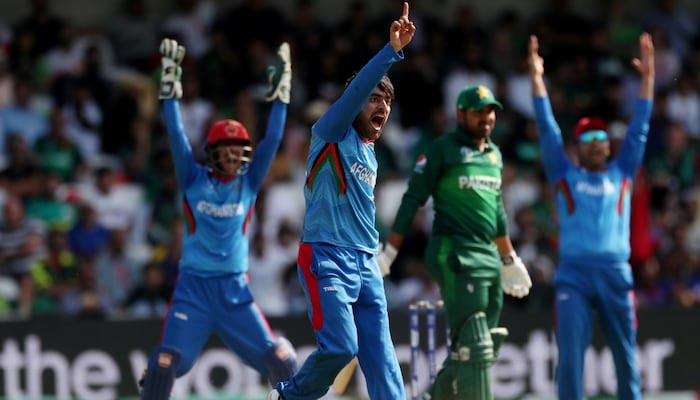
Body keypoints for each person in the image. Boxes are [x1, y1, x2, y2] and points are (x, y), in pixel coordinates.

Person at [268, 3, 415, 400]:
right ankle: (289, 396)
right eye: (373, 100)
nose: (380, 107)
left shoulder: (369, 153)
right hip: (326, 256)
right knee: (340, 348)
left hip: (366, 262)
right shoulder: (331, 132)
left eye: (386, 103)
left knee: (382, 359)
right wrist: (390, 52)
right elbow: (354, 93)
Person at [139, 38, 297, 399]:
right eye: (223, 151)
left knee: (281, 361)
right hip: (192, 291)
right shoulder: (193, 179)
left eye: (236, 151)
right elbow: (176, 135)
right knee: (165, 362)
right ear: (212, 153)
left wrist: (281, 96)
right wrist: (169, 91)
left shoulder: (249, 183)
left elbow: (272, 139)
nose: (230, 158)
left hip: (234, 292)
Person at [377, 85, 532, 399]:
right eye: (478, 111)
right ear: (461, 114)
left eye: (490, 111)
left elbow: (497, 212)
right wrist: (391, 249)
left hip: (488, 255)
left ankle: (432, 396)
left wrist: (509, 258)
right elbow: (412, 200)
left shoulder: (494, 154)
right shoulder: (441, 150)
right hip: (454, 251)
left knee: (479, 343)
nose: (486, 117)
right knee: (475, 343)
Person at [528, 33, 654, 400]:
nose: (598, 140)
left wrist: (647, 78)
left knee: (626, 358)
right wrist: (537, 78)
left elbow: (640, 127)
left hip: (616, 273)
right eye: (589, 136)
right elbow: (547, 128)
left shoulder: (623, 172)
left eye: (602, 135)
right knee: (569, 359)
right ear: (578, 146)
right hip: (574, 275)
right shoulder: (564, 173)